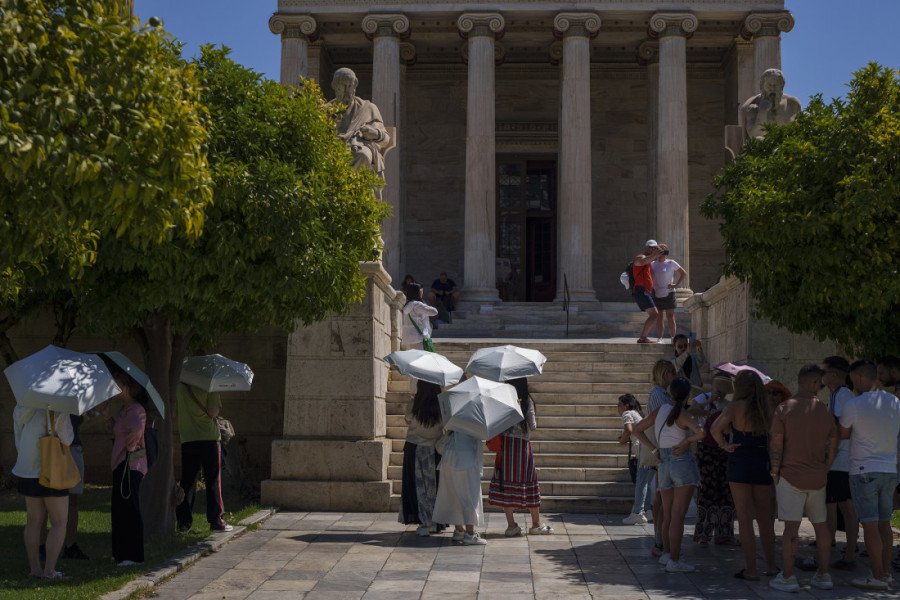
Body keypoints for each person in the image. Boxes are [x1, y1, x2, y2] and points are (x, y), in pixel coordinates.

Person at [768, 365, 838, 592]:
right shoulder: (825, 411)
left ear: (800, 382)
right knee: (822, 527)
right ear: (815, 383)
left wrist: (775, 471)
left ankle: (788, 577)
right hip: (817, 476)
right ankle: (824, 575)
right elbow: (833, 444)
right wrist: (826, 467)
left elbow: (776, 443)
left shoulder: (784, 409)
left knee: (791, 529)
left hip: (790, 475)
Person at [632, 377, 704, 573]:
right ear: (687, 394)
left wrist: (653, 450)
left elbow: (637, 430)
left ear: (670, 392)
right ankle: (674, 559)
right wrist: (686, 443)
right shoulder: (682, 414)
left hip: (663, 461)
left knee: (667, 512)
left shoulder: (660, 410)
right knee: (678, 515)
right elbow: (701, 433)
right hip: (681, 462)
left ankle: (666, 554)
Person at [839, 359, 900, 590]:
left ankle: (876, 576)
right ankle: (886, 574)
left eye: (853, 380)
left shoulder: (854, 404)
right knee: (885, 524)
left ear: (860, 378)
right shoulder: (895, 401)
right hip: (889, 469)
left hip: (864, 470)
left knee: (871, 526)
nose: (853, 384)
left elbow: (843, 433)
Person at [711, 370, 777, 581]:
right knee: (766, 520)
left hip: (740, 460)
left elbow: (714, 429)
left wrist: (724, 445)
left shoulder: (734, 407)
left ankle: (751, 569)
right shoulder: (767, 409)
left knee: (745, 519)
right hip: (761, 460)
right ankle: (772, 567)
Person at [13, 407, 74, 580]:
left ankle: (35, 569)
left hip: (27, 468)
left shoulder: (22, 404)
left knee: (33, 521)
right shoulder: (59, 405)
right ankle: (49, 572)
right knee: (59, 522)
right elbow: (67, 439)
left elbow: (18, 435)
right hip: (51, 469)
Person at [489, 378, 553, 536]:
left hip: (506, 447)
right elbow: (533, 425)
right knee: (529, 481)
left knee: (506, 483)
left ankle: (511, 526)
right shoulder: (527, 401)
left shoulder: (503, 398)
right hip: (523, 448)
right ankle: (536, 523)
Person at [100, 371, 149, 566]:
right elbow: (117, 430)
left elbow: (137, 429)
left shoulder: (136, 409)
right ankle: (120, 551)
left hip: (131, 464)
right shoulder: (124, 409)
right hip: (121, 463)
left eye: (117, 384)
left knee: (130, 508)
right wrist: (107, 417)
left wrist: (130, 447)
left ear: (126, 388)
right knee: (119, 508)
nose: (113, 388)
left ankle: (134, 555)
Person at [175, 382, 232, 533]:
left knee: (188, 481)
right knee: (213, 480)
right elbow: (213, 411)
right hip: (209, 438)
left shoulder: (180, 386)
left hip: (188, 438)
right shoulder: (210, 385)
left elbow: (176, 411)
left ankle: (183, 523)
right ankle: (216, 521)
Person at [821, 356, 859, 571]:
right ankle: (845, 552)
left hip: (838, 461)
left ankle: (846, 555)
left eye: (824, 371)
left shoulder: (840, 395)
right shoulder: (841, 395)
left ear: (834, 375)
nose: (822, 375)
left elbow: (834, 427)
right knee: (841, 507)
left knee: (841, 507)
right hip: (842, 459)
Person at [692, 375, 737, 548]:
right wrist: (708, 402)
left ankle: (724, 533)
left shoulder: (727, 405)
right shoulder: (701, 399)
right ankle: (704, 534)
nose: (720, 394)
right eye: (719, 390)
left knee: (725, 491)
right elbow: (691, 412)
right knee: (707, 491)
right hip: (706, 451)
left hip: (723, 450)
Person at [398, 381, 445, 536]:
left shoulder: (415, 403)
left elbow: (408, 420)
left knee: (418, 487)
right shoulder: (442, 403)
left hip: (415, 447)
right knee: (435, 487)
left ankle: (424, 522)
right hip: (434, 449)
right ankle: (436, 522)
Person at [328, 67, 391, 174]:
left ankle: (353, 189)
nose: (347, 90)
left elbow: (386, 140)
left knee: (363, 155)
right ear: (335, 87)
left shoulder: (368, 108)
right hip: (332, 149)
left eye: (350, 86)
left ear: (355, 86)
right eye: (343, 86)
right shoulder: (325, 110)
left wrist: (375, 134)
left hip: (357, 149)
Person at [433, 429, 486, 545]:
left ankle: (459, 529)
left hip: (449, 455)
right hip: (465, 457)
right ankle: (470, 533)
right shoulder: (472, 415)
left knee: (454, 494)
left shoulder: (455, 415)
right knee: (469, 494)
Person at [646, 359, 677, 555]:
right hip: (662, 449)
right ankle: (659, 539)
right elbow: (664, 421)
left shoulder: (662, 394)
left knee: (661, 496)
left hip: (662, 449)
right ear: (666, 374)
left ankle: (660, 539)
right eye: (672, 373)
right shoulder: (659, 395)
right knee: (661, 497)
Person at [618, 393, 654, 525]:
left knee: (641, 483)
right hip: (650, 450)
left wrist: (622, 440)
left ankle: (637, 513)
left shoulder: (627, 413)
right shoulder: (637, 414)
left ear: (626, 405)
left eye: (619, 405)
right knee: (646, 482)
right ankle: (648, 511)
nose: (618, 408)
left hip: (643, 451)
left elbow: (628, 430)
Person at [739, 68, 802, 141]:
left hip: (789, 148)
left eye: (776, 85)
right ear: (762, 86)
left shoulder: (792, 104)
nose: (772, 88)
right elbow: (754, 136)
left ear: (781, 86)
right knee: (759, 140)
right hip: (765, 149)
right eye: (769, 85)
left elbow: (801, 131)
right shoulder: (753, 107)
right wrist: (762, 111)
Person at [401, 282, 439, 396]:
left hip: (410, 340)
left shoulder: (407, 306)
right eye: (420, 291)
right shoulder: (417, 305)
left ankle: (413, 392)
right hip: (418, 340)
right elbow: (434, 312)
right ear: (417, 292)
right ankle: (416, 392)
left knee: (413, 366)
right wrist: (425, 303)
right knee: (419, 367)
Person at [650, 244, 686, 342]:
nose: (661, 255)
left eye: (662, 252)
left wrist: (676, 285)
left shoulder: (671, 263)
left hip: (669, 293)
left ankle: (673, 338)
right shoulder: (653, 264)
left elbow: (683, 273)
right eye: (659, 252)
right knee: (659, 316)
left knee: (670, 316)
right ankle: (660, 338)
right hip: (657, 292)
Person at [631, 239, 665, 343]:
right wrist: (654, 255)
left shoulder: (650, 260)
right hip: (640, 290)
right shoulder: (640, 256)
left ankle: (643, 337)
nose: (653, 250)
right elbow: (640, 262)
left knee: (654, 314)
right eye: (652, 248)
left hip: (645, 291)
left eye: (655, 248)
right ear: (646, 248)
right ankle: (643, 337)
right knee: (655, 314)